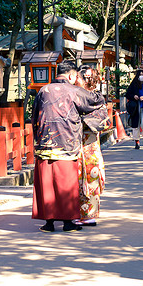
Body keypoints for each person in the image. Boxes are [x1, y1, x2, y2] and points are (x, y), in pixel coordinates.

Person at [31, 60, 106, 232]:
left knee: (47, 184)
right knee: (66, 184)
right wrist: (81, 85)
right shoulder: (74, 90)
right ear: (72, 75)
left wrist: (37, 140)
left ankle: (48, 223)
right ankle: (68, 222)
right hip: (66, 143)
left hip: (44, 143)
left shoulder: (43, 90)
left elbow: (34, 116)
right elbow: (96, 100)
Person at [75, 65, 110, 226]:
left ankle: (90, 213)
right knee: (76, 178)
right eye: (85, 77)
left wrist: (82, 122)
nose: (88, 80)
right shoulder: (74, 95)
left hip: (89, 142)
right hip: (76, 143)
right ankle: (75, 212)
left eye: (90, 77)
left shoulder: (97, 97)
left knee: (92, 175)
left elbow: (103, 120)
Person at [125, 70, 143, 148]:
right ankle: (137, 141)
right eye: (140, 75)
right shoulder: (133, 85)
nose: (141, 76)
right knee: (136, 125)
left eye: (142, 75)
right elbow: (127, 94)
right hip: (135, 108)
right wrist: (134, 96)